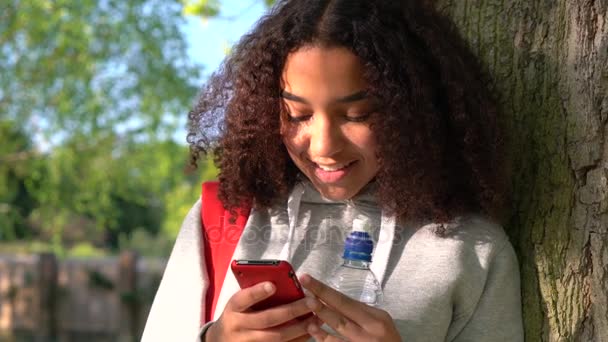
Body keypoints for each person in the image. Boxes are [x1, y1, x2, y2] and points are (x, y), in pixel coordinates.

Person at [141, 0, 524, 341]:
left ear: (413, 110)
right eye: (297, 114)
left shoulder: (473, 250)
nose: (323, 146)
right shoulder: (220, 218)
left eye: (357, 115)